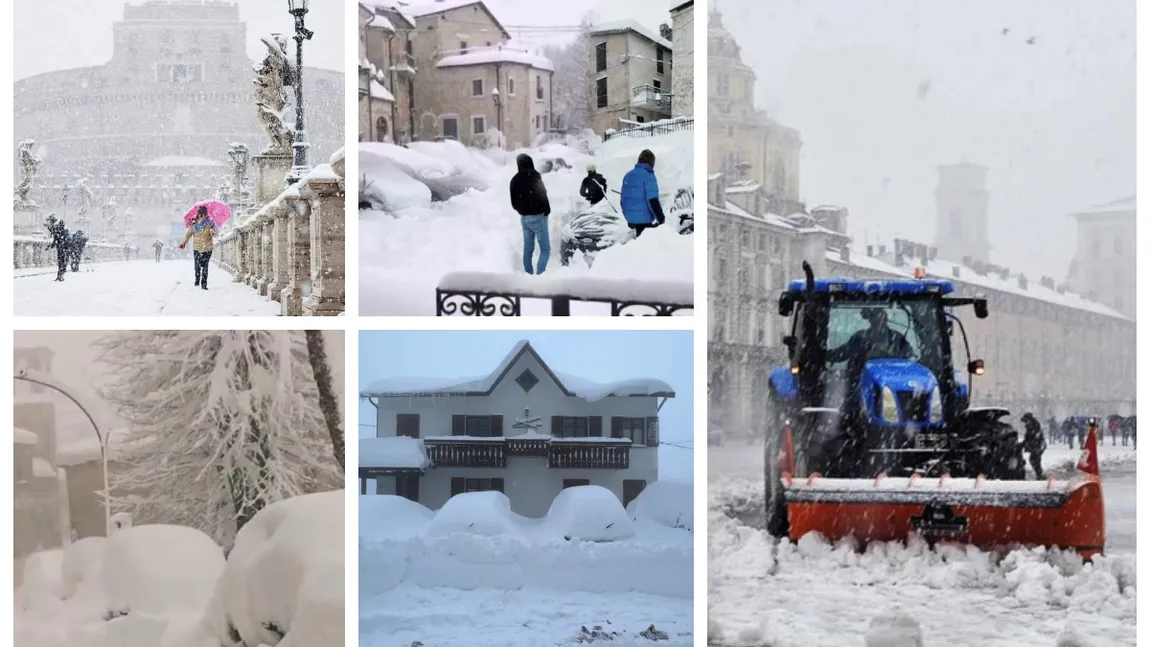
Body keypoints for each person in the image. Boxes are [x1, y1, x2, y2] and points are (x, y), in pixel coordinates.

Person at [825, 307, 913, 422]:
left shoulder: (897, 339)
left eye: (881, 319)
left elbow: (908, 354)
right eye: (876, 320)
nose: (879, 323)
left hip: (893, 386)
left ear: (886, 320)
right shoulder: (860, 338)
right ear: (870, 321)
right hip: (860, 387)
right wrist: (823, 355)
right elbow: (843, 353)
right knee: (852, 415)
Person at [509, 153, 551, 275]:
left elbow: (514, 203)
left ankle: (528, 275)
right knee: (545, 249)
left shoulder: (514, 180)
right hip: (538, 217)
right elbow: (542, 193)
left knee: (528, 249)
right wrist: (546, 209)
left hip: (524, 219)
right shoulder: (534, 175)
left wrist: (523, 211)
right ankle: (540, 276)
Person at [619, 149, 666, 238]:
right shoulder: (648, 176)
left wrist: (628, 214)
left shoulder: (628, 175)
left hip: (630, 218)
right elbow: (652, 200)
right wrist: (661, 218)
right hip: (643, 219)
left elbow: (622, 200)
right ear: (651, 163)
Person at [179, 206, 218, 289]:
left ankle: (204, 284)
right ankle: (197, 279)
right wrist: (183, 243)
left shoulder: (210, 223)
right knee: (197, 266)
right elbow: (188, 234)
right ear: (198, 215)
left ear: (206, 215)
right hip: (197, 248)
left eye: (203, 215)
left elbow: (215, 233)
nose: (202, 217)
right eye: (200, 215)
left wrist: (212, 231)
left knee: (205, 266)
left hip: (207, 248)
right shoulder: (194, 224)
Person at [1020, 412, 1046, 480]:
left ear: (1029, 419)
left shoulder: (1035, 425)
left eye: (1026, 421)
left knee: (1034, 460)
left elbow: (1035, 437)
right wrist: (1022, 444)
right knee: (1034, 460)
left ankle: (1040, 475)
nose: (1025, 423)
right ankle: (1040, 475)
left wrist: (1028, 444)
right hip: (1036, 446)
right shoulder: (1030, 426)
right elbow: (1027, 438)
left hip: (1039, 446)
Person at [44, 216, 70, 282]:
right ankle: (61, 275)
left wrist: (51, 245)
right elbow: (56, 237)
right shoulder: (61, 227)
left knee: (61, 260)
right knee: (62, 261)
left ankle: (60, 275)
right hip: (64, 245)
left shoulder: (57, 228)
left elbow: (56, 237)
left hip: (62, 245)